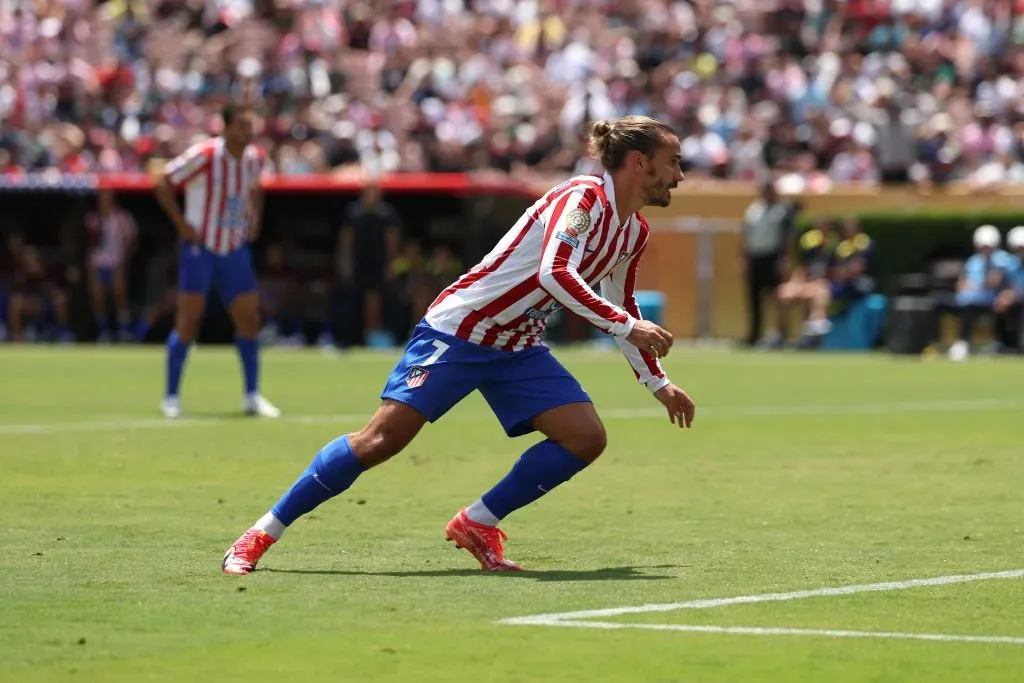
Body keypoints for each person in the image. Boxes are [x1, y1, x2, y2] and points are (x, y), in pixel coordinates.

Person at [222, 116, 696, 575]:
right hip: (461, 330)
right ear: (638, 162)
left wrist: (658, 383)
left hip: (516, 345)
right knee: (380, 441)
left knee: (585, 437)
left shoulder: (633, 231)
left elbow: (623, 302)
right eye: (672, 162)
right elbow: (557, 273)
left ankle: (478, 523)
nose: (678, 175)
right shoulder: (583, 199)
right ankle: (261, 533)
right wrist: (623, 327)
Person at [154, 104, 280, 418]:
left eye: (250, 126)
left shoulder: (254, 158)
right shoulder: (206, 155)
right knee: (188, 321)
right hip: (202, 247)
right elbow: (163, 182)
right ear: (225, 127)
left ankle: (252, 395)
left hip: (234, 248)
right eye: (241, 125)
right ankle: (171, 396)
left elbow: (256, 189)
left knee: (249, 320)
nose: (247, 132)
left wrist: (255, 220)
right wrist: (182, 224)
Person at [948, 224, 1017, 361]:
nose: (985, 250)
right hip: (976, 300)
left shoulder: (1005, 261)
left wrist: (1003, 292)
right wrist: (963, 287)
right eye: (983, 246)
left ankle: (1002, 343)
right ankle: (963, 343)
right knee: (967, 308)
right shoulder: (973, 261)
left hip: (998, 300)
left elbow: (1011, 283)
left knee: (1004, 309)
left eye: (988, 246)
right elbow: (963, 282)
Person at [739, 181, 793, 347]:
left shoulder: (780, 211)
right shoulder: (754, 210)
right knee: (754, 298)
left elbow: (785, 238)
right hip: (755, 257)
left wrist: (784, 259)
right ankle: (755, 334)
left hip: (772, 257)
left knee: (777, 298)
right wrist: (743, 258)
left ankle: (779, 334)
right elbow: (745, 234)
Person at [86, 189, 137, 343]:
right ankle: (103, 331)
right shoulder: (92, 219)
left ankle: (124, 329)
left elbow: (132, 240)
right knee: (97, 296)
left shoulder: (122, 218)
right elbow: (87, 244)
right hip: (98, 262)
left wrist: (124, 259)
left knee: (119, 294)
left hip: (117, 262)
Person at [777, 219, 838, 346]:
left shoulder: (833, 248)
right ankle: (780, 334)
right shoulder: (809, 246)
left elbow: (833, 272)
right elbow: (802, 269)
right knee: (785, 292)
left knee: (820, 295)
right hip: (807, 283)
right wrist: (797, 282)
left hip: (823, 284)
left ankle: (812, 335)